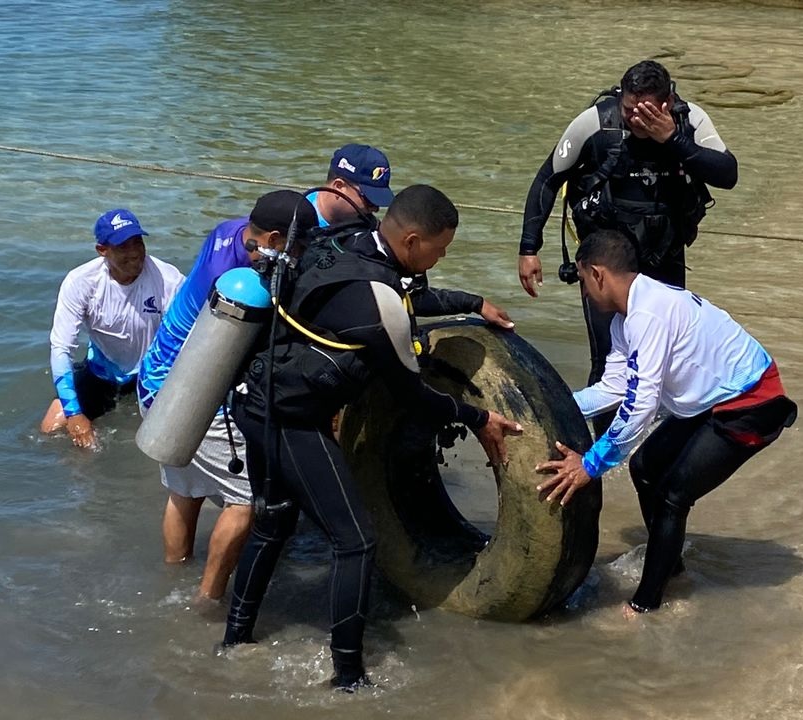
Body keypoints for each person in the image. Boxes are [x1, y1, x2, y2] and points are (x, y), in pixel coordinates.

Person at [222, 185, 522, 691]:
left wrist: (473, 302)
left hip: (255, 399)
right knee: (356, 541)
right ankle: (348, 679)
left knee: (273, 522)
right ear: (411, 240)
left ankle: (233, 643)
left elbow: (412, 297)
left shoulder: (347, 243)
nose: (442, 256)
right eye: (441, 248)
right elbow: (413, 395)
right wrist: (476, 418)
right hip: (292, 419)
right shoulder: (375, 301)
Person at [535, 230, 796, 618]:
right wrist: (549, 407)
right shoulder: (625, 322)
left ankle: (646, 604)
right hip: (711, 399)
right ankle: (670, 566)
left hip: (753, 401)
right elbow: (612, 390)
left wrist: (590, 465)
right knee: (644, 468)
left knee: (674, 494)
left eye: (583, 281)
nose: (584, 293)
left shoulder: (648, 314)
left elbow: (640, 407)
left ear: (597, 273)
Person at [516, 59, 738, 435]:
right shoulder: (596, 122)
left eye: (647, 111)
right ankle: (598, 453)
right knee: (608, 365)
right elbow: (548, 179)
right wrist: (528, 248)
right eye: (629, 109)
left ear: (667, 102)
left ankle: (656, 443)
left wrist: (673, 138)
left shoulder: (691, 120)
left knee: (668, 362)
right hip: (607, 263)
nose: (636, 119)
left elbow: (728, 174)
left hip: (664, 254)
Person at [137, 190, 319, 603]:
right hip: (192, 392)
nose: (301, 253)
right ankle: (209, 600)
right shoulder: (243, 280)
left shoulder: (231, 231)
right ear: (274, 240)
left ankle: (173, 579)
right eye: (299, 245)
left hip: (155, 380)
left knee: (186, 492)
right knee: (244, 501)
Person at [40, 209, 183, 449]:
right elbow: (61, 349)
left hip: (152, 373)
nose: (135, 253)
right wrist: (75, 415)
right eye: (123, 246)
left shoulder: (169, 280)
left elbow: (184, 341)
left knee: (164, 443)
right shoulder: (81, 282)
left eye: (138, 242)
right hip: (102, 371)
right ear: (102, 250)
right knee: (49, 431)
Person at [305, 143, 395, 229]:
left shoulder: (371, 227)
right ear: (339, 187)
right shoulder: (296, 221)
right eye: (369, 201)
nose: (375, 210)